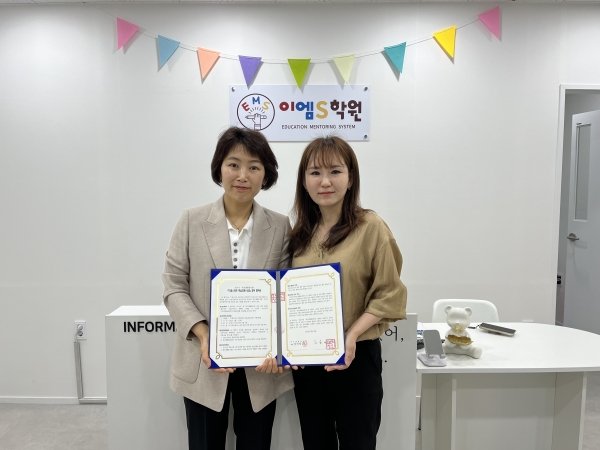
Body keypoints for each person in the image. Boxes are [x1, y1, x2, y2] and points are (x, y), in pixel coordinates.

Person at [161, 127, 293, 450]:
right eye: (234, 164)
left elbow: (285, 293)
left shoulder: (279, 226)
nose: (242, 175)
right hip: (203, 361)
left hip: (261, 365)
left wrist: (278, 345)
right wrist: (204, 333)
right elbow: (173, 285)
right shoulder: (191, 220)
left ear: (265, 175)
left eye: (254, 167)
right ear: (219, 168)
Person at [288, 136, 407, 450]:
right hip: (307, 362)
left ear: (351, 178)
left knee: (359, 443)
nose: (325, 181)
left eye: (335, 171)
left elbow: (389, 292)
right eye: (315, 172)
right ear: (304, 181)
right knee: (315, 443)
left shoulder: (371, 227)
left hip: (356, 358)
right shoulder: (299, 234)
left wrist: (351, 335)